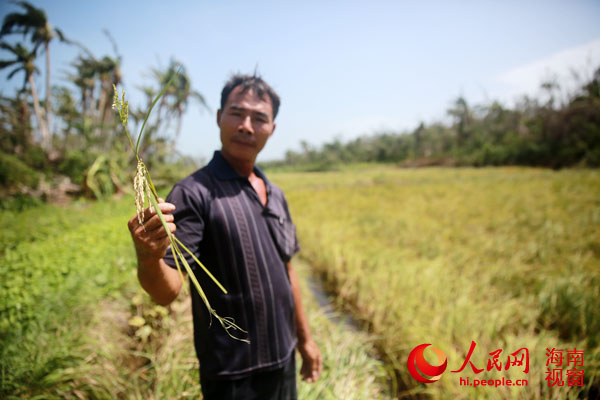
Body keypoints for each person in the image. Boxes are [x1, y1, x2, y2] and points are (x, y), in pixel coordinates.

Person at [127, 74, 322, 399]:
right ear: (219, 118)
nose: (246, 125)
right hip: (232, 375)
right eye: (237, 113)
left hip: (283, 357)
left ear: (272, 129)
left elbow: (288, 271)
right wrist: (149, 256)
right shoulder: (193, 193)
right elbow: (167, 291)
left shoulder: (275, 194)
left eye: (259, 118)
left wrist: (305, 340)